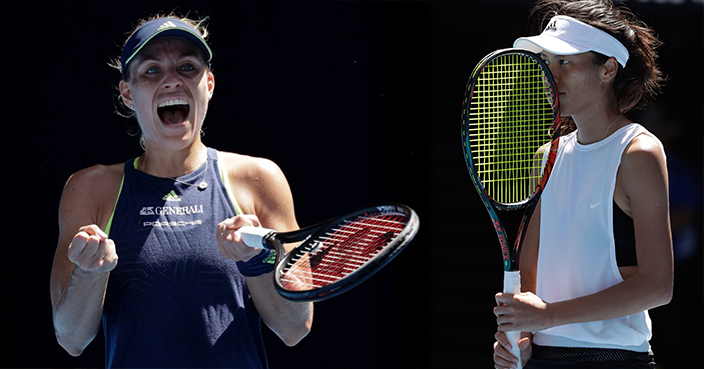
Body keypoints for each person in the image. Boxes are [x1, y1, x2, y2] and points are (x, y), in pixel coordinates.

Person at [49, 14, 313, 368]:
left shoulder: (259, 179)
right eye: (152, 71)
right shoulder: (89, 188)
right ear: (128, 93)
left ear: (209, 84)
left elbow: (295, 327)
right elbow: (70, 338)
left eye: (187, 68)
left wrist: (256, 260)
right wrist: (90, 273)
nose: (172, 81)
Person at [492, 1, 673, 368]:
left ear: (607, 69)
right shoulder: (547, 156)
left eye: (565, 62)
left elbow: (658, 286)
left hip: (616, 360)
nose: (551, 75)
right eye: (547, 61)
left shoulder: (638, 151)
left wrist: (548, 316)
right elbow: (532, 273)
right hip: (543, 359)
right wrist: (523, 339)